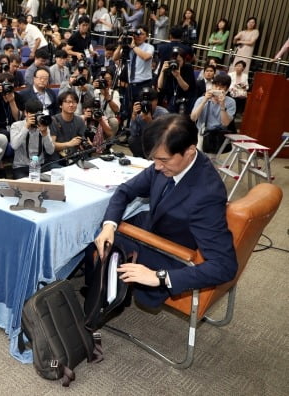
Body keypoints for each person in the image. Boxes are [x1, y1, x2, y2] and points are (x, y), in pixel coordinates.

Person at [93, 114, 238, 308]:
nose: (157, 167)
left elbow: (225, 266)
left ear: (190, 151)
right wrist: (109, 226)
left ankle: (99, 301)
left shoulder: (207, 194)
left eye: (163, 160)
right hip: (155, 226)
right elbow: (125, 191)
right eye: (154, 159)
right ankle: (103, 292)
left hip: (171, 252)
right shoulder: (166, 163)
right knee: (102, 232)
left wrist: (159, 277)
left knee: (98, 245)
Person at [10, 98, 55, 179]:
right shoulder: (16, 126)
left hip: (39, 166)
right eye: (33, 115)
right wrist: (26, 127)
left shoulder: (43, 125)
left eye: (38, 114)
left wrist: (45, 133)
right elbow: (14, 146)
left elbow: (50, 151)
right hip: (21, 166)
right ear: (25, 113)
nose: (35, 118)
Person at [113, 25, 154, 114]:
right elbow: (114, 58)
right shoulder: (128, 46)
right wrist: (120, 45)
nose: (138, 36)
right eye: (136, 34)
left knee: (142, 110)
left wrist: (134, 47)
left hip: (144, 84)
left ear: (146, 36)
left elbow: (146, 57)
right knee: (127, 109)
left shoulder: (149, 47)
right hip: (131, 84)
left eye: (141, 34)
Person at [190, 73, 236, 152]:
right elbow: (193, 118)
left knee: (211, 161)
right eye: (215, 85)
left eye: (221, 87)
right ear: (212, 85)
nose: (217, 89)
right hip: (201, 134)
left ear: (226, 89)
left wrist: (222, 105)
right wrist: (204, 100)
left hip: (218, 136)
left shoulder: (230, 102)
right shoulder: (201, 99)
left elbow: (225, 123)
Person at [47, 90, 86, 166]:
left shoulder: (80, 120)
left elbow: (82, 139)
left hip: (74, 156)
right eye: (68, 102)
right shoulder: (53, 121)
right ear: (60, 105)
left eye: (74, 102)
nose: (71, 105)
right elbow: (52, 146)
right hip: (57, 159)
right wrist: (69, 144)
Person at [129, 88, 168, 158]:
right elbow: (133, 133)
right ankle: (142, 159)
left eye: (150, 101)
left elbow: (165, 136)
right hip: (144, 142)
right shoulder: (139, 112)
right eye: (144, 101)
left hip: (158, 143)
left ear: (156, 101)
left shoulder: (163, 113)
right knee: (132, 140)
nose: (146, 103)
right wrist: (133, 116)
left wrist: (150, 122)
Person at [157, 48, 196, 114]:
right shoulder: (169, 67)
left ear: (183, 60)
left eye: (179, 61)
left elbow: (186, 88)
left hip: (185, 100)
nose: (176, 64)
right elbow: (160, 86)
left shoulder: (188, 68)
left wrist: (178, 76)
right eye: (175, 61)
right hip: (170, 100)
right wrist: (162, 71)